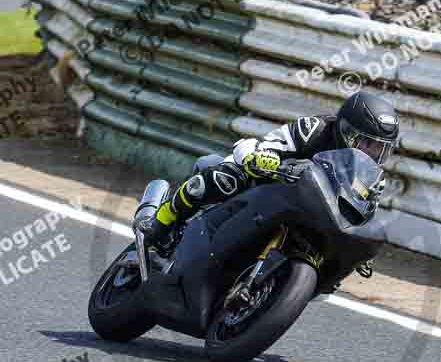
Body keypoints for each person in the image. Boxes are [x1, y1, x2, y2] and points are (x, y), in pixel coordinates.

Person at [134, 91, 400, 282]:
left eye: (380, 149)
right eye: (366, 143)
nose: (372, 153)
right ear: (346, 130)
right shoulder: (315, 130)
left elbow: (363, 212)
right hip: (269, 182)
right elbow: (257, 145)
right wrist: (262, 158)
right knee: (226, 177)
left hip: (312, 213)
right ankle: (161, 220)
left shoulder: (373, 177)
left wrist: (360, 248)